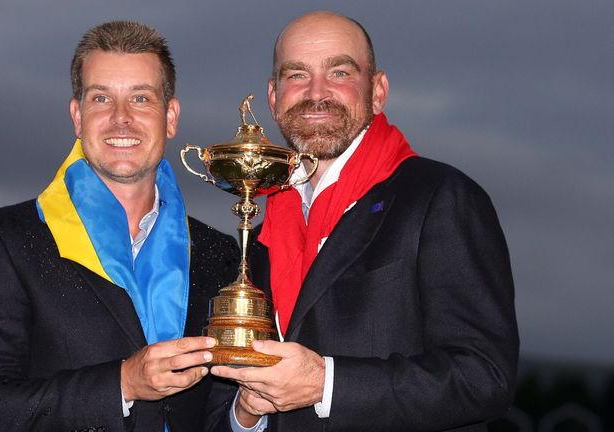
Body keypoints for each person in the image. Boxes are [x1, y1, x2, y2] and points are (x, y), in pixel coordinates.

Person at [211, 10, 519, 432]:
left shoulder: (440, 197)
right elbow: (225, 399)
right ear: (273, 95)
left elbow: (484, 377)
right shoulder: (265, 218)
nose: (316, 93)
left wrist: (326, 384)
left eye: (339, 72)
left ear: (377, 91)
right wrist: (246, 412)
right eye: (296, 75)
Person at [0, 21, 239, 432]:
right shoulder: (4, 240)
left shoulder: (219, 254)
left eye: (141, 98)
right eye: (102, 98)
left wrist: (248, 415)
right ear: (77, 116)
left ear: (170, 117)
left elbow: (215, 413)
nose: (122, 119)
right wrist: (122, 384)